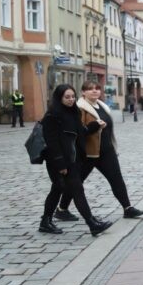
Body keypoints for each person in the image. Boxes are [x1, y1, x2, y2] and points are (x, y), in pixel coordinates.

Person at [56, 81, 143, 222]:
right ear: (83, 92)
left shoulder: (102, 106)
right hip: (87, 153)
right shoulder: (80, 108)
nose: (94, 91)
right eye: (90, 89)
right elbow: (78, 131)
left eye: (97, 88)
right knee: (76, 182)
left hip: (106, 150)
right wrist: (95, 126)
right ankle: (62, 209)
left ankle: (127, 208)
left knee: (117, 179)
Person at [39, 84, 112, 236]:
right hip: (58, 161)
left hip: (72, 159)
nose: (71, 99)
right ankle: (92, 223)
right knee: (76, 190)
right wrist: (60, 164)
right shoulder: (52, 115)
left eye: (73, 96)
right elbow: (52, 142)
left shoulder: (74, 112)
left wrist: (94, 126)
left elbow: (81, 132)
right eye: (67, 97)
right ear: (59, 98)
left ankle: (45, 222)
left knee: (57, 190)